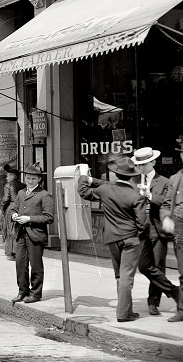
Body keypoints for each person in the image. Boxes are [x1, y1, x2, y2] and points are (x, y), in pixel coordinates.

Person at [78, 157, 181, 323]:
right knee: (127, 276)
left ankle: (127, 309)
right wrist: (139, 236)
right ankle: (124, 313)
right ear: (130, 175)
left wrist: (83, 176)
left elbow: (83, 192)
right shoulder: (135, 195)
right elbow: (143, 223)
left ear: (114, 174)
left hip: (112, 238)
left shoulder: (105, 190)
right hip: (131, 239)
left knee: (119, 276)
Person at [133, 147, 174, 316]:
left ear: (153, 162)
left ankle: (153, 301)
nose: (141, 167)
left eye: (144, 164)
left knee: (158, 265)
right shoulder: (133, 180)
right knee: (143, 266)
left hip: (157, 229)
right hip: (140, 229)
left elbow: (167, 202)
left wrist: (149, 195)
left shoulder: (164, 181)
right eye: (139, 164)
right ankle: (173, 290)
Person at [10, 163, 53, 304]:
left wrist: (29, 219)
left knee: (36, 266)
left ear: (39, 179)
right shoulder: (21, 193)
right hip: (21, 233)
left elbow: (48, 217)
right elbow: (13, 209)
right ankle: (22, 291)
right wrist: (14, 215)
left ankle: (36, 293)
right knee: (20, 264)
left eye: (33, 179)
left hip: (35, 234)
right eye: (28, 178)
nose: (30, 181)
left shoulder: (44, 195)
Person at [159, 138, 183, 321]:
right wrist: (166, 217)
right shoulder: (175, 179)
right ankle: (182, 309)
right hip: (180, 229)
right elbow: (166, 204)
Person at [0, 163, 23, 260]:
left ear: (13, 176)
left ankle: (12, 251)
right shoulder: (22, 185)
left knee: (10, 229)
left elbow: (6, 199)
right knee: (18, 229)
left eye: (8, 176)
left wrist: (2, 205)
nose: (6, 178)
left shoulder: (8, 185)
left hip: (11, 207)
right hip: (21, 207)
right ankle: (19, 250)